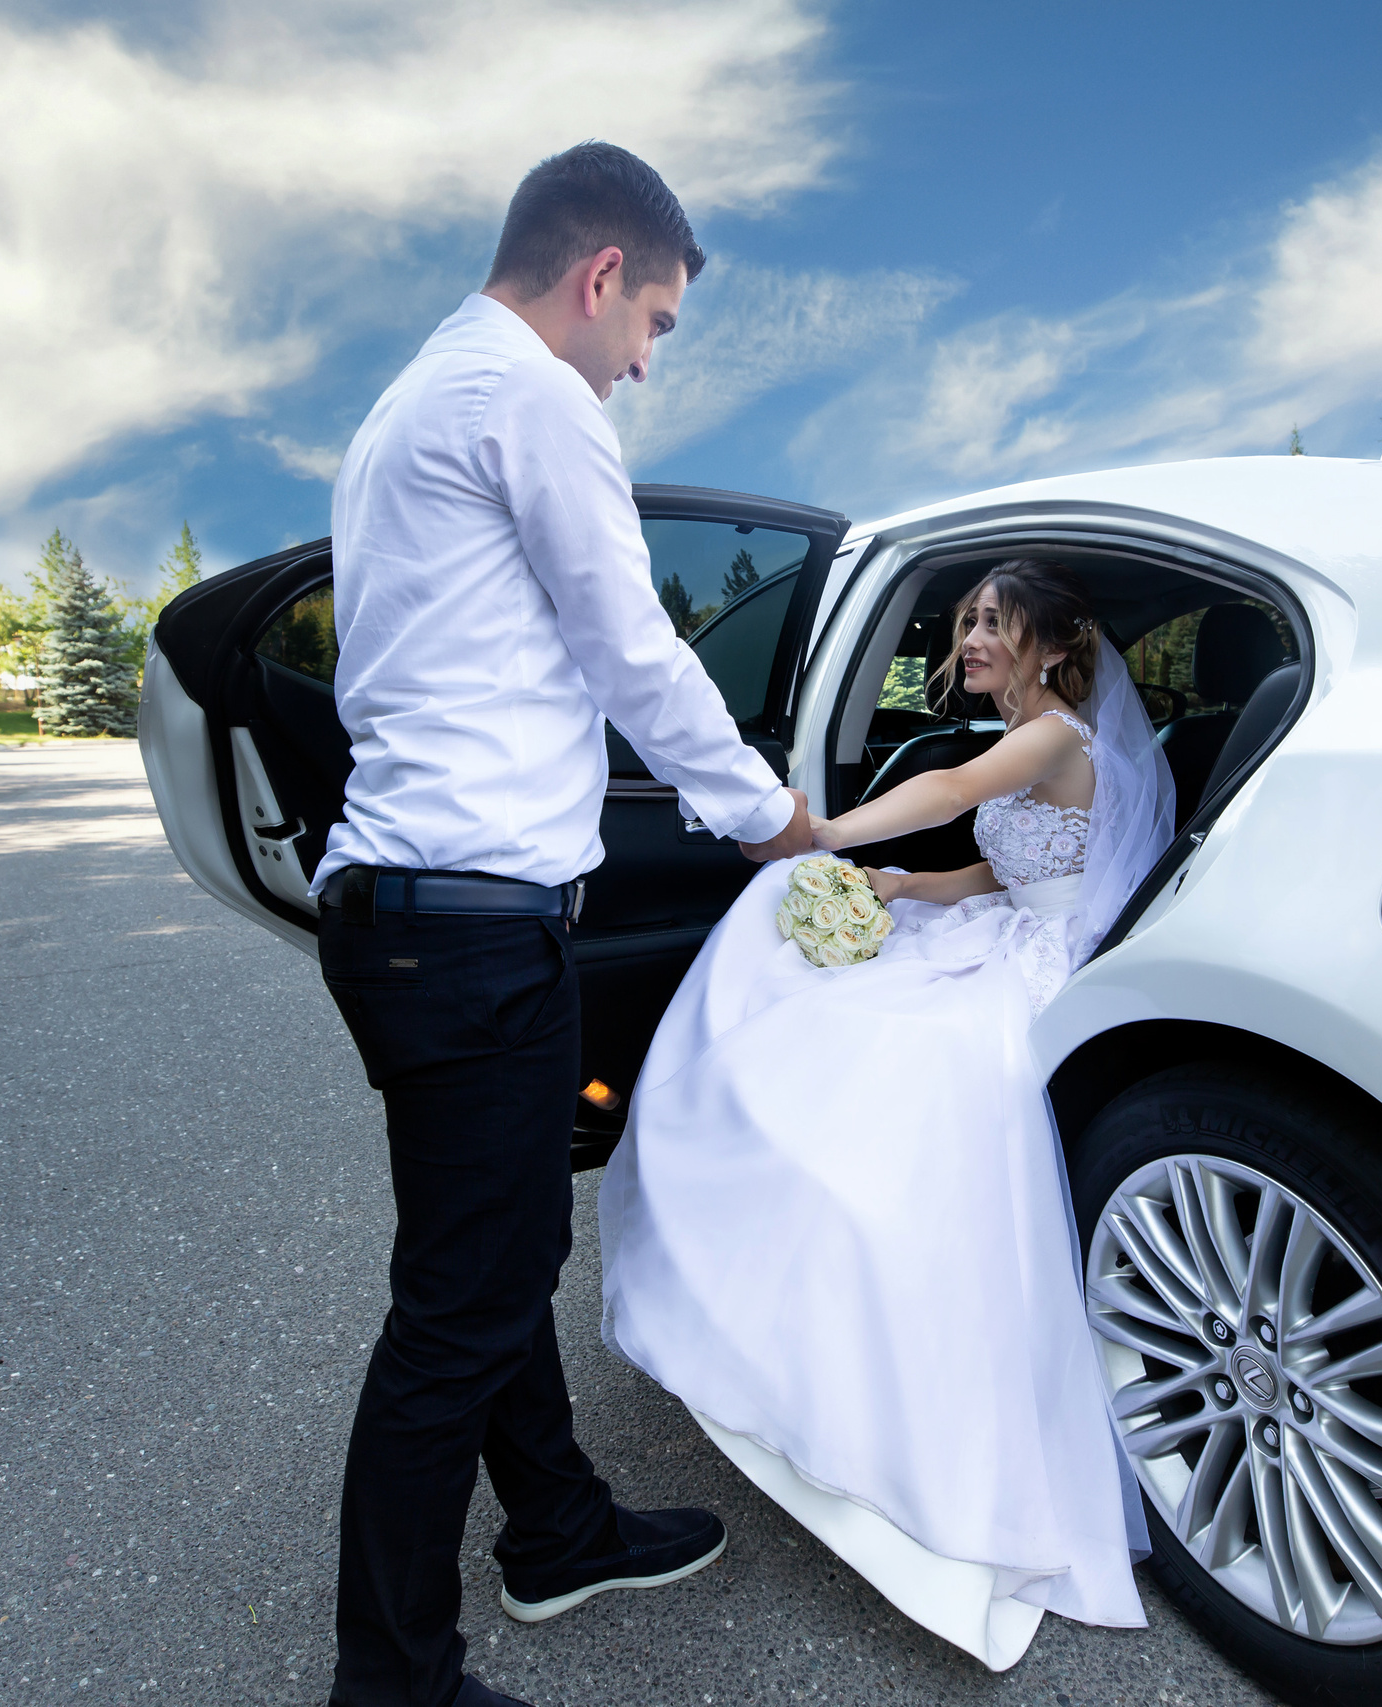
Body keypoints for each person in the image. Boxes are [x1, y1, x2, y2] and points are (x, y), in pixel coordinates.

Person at [310, 142, 816, 1707]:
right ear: (600, 277)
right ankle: (391, 1678)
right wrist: (775, 821)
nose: (646, 360)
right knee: (459, 1305)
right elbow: (641, 659)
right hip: (469, 922)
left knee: (492, 1245)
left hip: (402, 910)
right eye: (654, 321)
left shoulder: (406, 405)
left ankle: (556, 1524)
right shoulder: (537, 400)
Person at [599, 558, 1176, 1670]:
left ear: (1054, 647)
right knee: (814, 1002)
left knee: (875, 1059)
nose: (969, 640)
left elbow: (952, 798)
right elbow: (1000, 865)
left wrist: (821, 835)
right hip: (1007, 926)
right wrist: (910, 889)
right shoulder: (1029, 741)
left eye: (993, 624)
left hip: (1043, 966)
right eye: (965, 622)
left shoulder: (1053, 732)